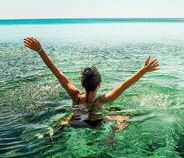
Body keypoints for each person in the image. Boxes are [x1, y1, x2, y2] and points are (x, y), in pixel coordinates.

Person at [23, 37, 159, 130]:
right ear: (98, 85)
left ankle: (57, 129)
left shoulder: (75, 95)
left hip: (76, 123)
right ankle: (112, 136)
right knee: (123, 118)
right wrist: (144, 70)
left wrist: (40, 50)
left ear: (82, 84)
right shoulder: (101, 100)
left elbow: (57, 72)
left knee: (68, 119)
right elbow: (125, 85)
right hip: (95, 124)